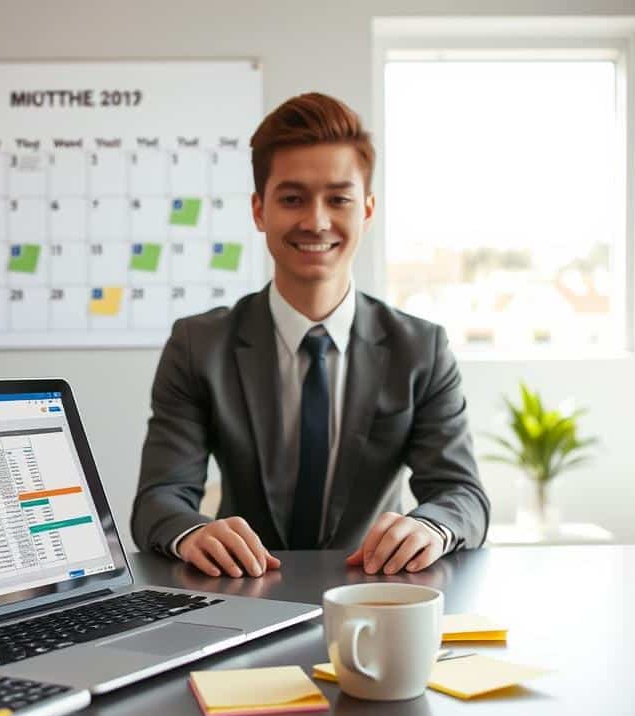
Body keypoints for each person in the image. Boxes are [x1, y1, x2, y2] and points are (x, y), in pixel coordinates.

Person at [131, 92, 489, 578]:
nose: (316, 220)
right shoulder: (199, 346)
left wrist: (429, 527)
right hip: (241, 595)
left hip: (377, 591)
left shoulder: (420, 348)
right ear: (260, 210)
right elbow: (159, 499)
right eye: (293, 198)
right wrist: (192, 532)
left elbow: (462, 494)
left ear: (366, 210)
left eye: (338, 199)